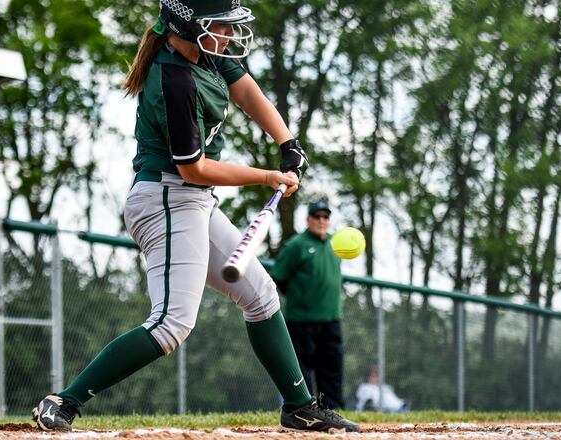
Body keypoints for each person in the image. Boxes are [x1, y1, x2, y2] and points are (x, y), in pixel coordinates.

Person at [30, 0, 359, 433]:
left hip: (192, 200)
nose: (227, 35)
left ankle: (298, 406)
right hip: (166, 198)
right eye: (219, 26)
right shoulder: (174, 79)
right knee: (171, 324)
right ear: (188, 27)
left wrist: (287, 140)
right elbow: (195, 168)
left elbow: (246, 90)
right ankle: (63, 401)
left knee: (261, 296)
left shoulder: (203, 51)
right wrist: (267, 176)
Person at [270, 200, 346, 409]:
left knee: (331, 370)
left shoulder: (335, 244)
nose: (321, 221)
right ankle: (303, 410)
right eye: (317, 216)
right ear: (308, 220)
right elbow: (278, 275)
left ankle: (333, 411)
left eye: (325, 217)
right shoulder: (296, 245)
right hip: (301, 320)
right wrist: (299, 298)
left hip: (331, 318)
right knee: (301, 371)